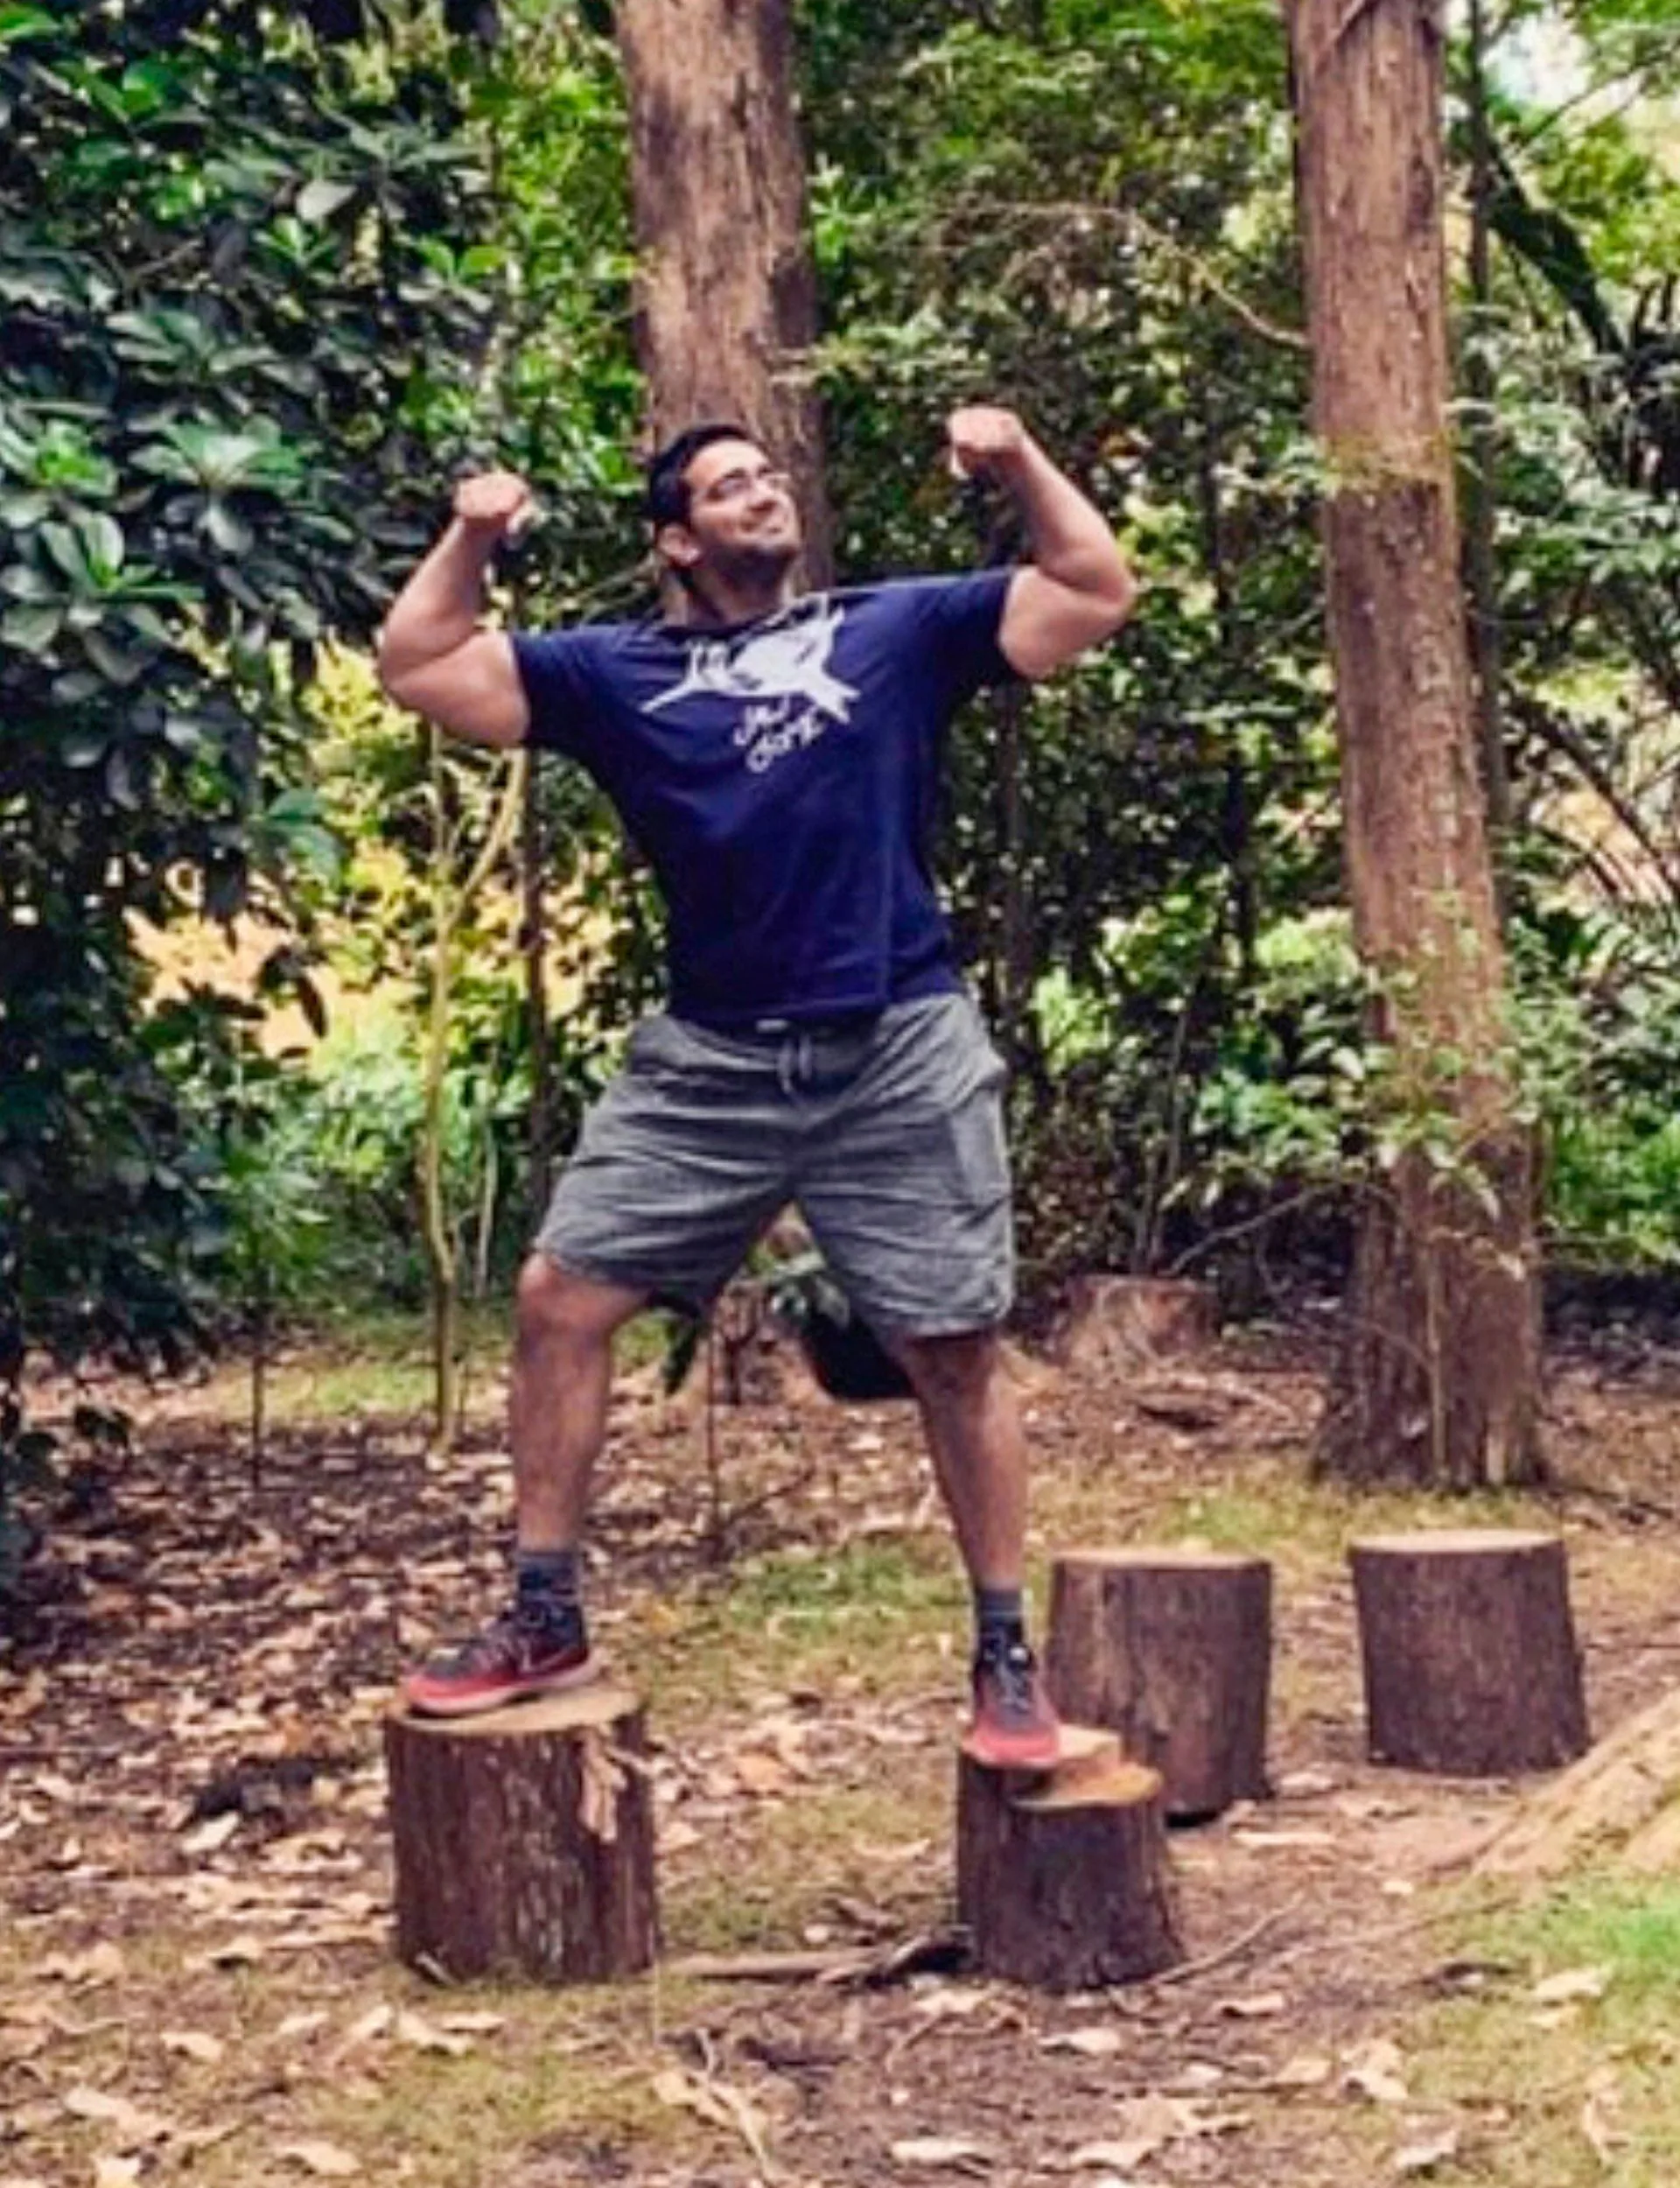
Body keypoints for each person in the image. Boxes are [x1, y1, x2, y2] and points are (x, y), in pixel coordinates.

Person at [376, 405, 1135, 1767]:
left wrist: (1021, 457)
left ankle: (1005, 1657)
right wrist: (475, 535)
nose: (762, 493)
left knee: (954, 1349)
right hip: (713, 1060)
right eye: (728, 487)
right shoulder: (612, 673)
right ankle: (544, 1615)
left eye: (769, 476)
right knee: (558, 1301)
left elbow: (1092, 587)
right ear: (678, 541)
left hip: (898, 1044)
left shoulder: (893, 631)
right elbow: (419, 661)